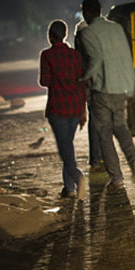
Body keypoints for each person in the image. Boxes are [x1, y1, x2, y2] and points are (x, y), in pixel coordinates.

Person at [77, 0, 135, 190]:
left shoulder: (87, 33)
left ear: (87, 13)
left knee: (105, 135)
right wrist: (131, 87)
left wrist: (84, 78)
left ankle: (117, 178)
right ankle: (134, 161)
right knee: (121, 128)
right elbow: (126, 58)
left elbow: (95, 60)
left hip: (102, 90)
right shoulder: (116, 29)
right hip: (120, 89)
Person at [40, 20, 88, 198]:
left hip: (58, 108)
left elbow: (44, 81)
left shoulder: (47, 55)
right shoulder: (75, 55)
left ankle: (77, 177)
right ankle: (69, 188)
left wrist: (57, 79)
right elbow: (83, 83)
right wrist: (83, 110)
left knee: (65, 148)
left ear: (51, 36)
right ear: (65, 35)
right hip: (75, 107)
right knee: (68, 145)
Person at [74, 17, 103, 173]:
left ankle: (96, 156)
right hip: (94, 81)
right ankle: (98, 156)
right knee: (99, 118)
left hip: (88, 81)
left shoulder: (81, 33)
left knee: (95, 118)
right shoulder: (89, 33)